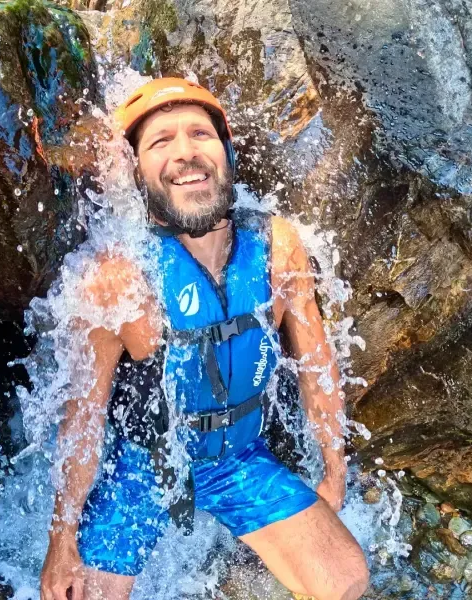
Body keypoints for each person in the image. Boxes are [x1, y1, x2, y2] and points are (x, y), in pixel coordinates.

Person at [39, 78, 369, 600]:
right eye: (161, 141)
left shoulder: (276, 246)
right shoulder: (117, 279)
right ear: (135, 171)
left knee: (347, 581)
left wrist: (334, 468)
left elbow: (317, 365)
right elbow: (82, 421)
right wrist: (62, 543)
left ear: (227, 152)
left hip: (239, 458)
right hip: (142, 472)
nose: (186, 153)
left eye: (200, 134)